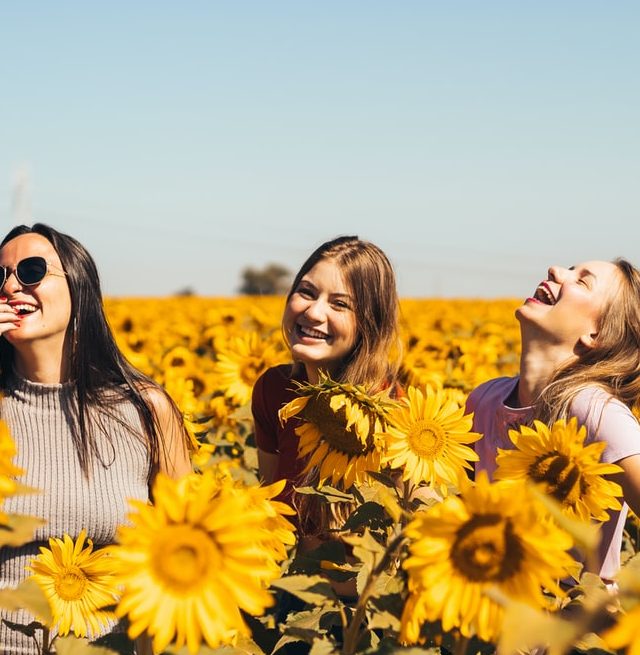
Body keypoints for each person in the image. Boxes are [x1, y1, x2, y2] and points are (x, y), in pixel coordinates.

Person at [0, 224, 192, 654]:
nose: (11, 285)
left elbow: (183, 549)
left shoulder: (145, 410)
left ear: (79, 287)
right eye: (0, 276)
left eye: (31, 271)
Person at [466, 259, 640, 581]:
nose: (556, 271)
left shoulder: (596, 412)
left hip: (576, 625)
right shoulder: (483, 401)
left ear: (596, 334)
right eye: (569, 269)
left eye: (582, 281)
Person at [251, 235, 402, 534]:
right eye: (306, 292)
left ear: (368, 323)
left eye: (339, 304)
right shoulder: (274, 390)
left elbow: (395, 532)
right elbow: (269, 505)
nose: (313, 312)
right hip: (283, 573)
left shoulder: (393, 411)